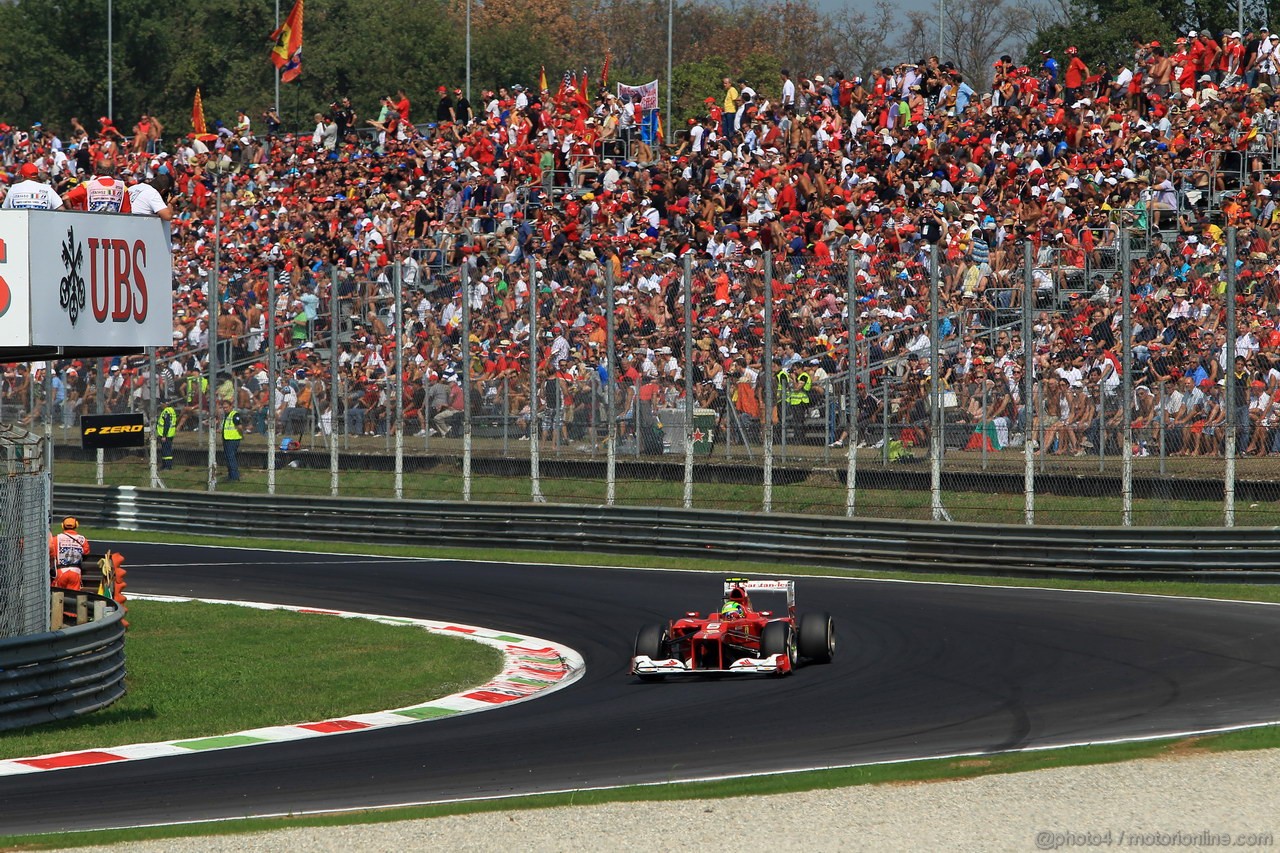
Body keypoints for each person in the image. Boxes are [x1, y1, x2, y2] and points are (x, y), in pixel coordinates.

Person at [62, 160, 133, 212]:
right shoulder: (122, 187)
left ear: (96, 170)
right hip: (113, 229)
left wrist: (74, 216)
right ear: (114, 171)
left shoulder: (87, 186)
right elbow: (127, 212)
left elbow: (66, 198)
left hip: (90, 228)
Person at [49, 517, 89, 590]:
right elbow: (86, 552)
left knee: (57, 595)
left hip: (61, 571)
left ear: (62, 525)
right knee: (74, 597)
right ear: (76, 525)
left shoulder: (57, 538)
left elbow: (52, 552)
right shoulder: (82, 539)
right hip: (76, 572)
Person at [220, 400, 244, 481]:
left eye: (226, 407)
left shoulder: (234, 415)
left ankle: (234, 477)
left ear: (231, 406)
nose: (225, 409)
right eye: (223, 408)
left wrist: (241, 435)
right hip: (226, 439)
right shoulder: (226, 415)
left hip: (233, 439)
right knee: (228, 458)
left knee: (231, 458)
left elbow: (239, 427)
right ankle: (231, 475)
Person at [157, 400, 177, 470]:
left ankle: (167, 466)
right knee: (166, 450)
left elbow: (166, 424)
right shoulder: (172, 410)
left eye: (162, 403)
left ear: (166, 404)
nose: (161, 405)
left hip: (166, 435)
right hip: (170, 433)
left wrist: (164, 435)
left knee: (166, 451)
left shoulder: (166, 412)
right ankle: (165, 465)